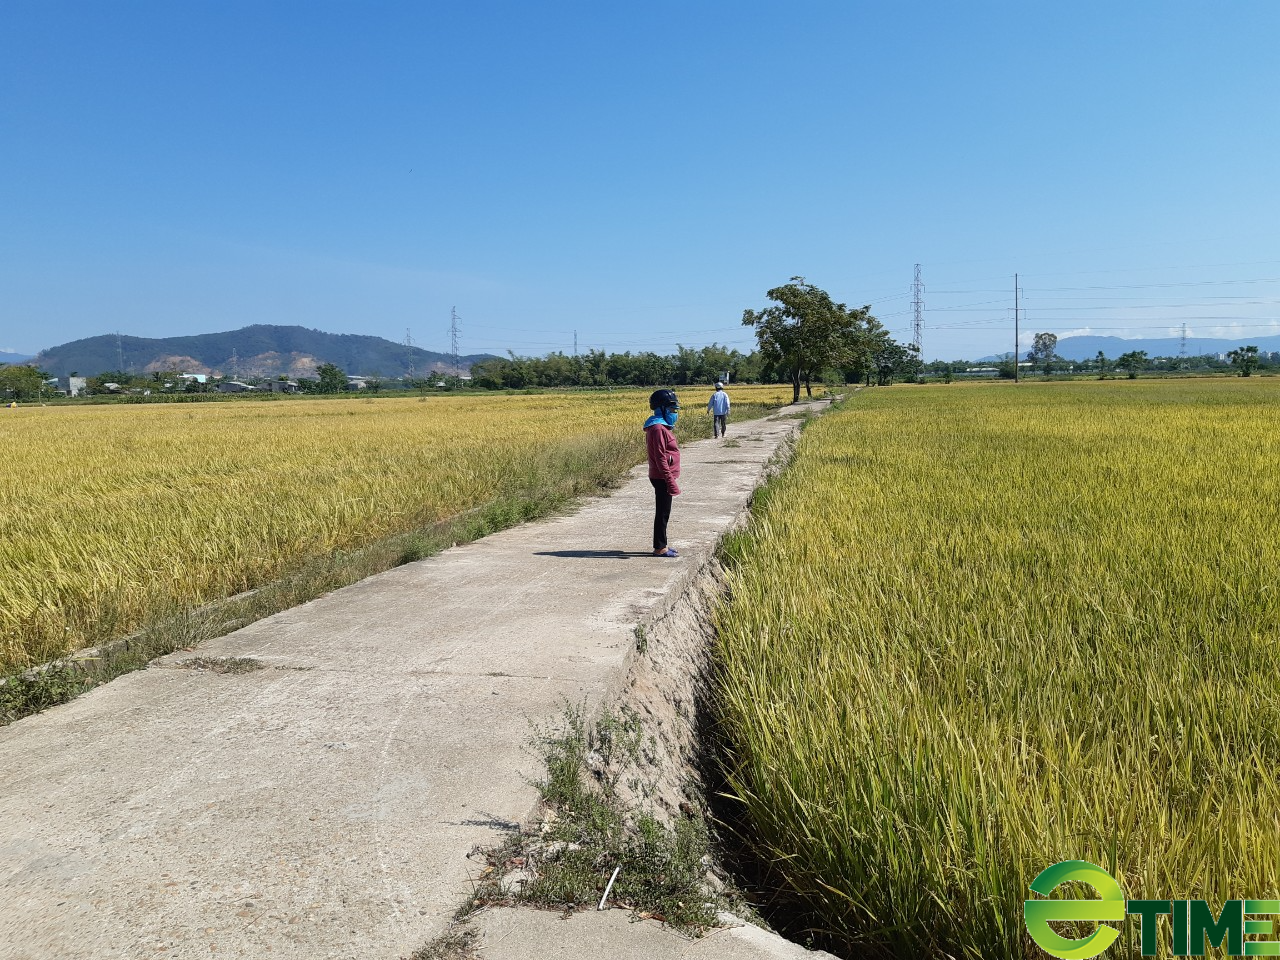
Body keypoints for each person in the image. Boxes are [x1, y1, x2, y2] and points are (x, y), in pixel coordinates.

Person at [645, 389, 681, 558]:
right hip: (662, 477)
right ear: (662, 409)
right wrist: (670, 481)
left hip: (663, 476)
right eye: (672, 410)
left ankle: (662, 545)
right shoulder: (658, 428)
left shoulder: (659, 426)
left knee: (663, 512)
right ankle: (660, 548)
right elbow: (660, 458)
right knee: (662, 513)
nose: (674, 414)